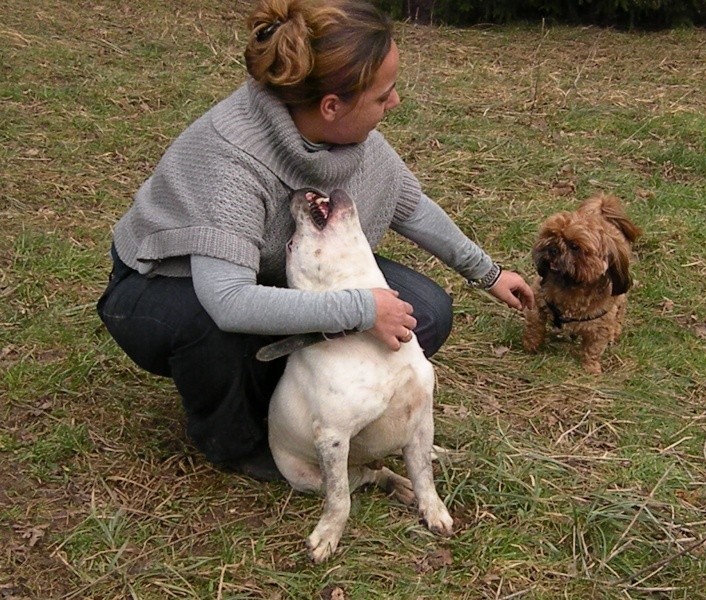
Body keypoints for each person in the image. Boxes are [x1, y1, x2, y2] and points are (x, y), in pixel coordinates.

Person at [97, 0, 534, 482]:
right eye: (384, 95)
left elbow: (411, 206)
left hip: (279, 272)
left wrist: (488, 273)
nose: (395, 104)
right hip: (164, 285)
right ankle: (237, 442)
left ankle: (297, 400)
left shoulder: (350, 139)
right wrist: (360, 310)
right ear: (332, 106)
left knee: (426, 311)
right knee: (211, 331)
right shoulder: (232, 159)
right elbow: (227, 300)